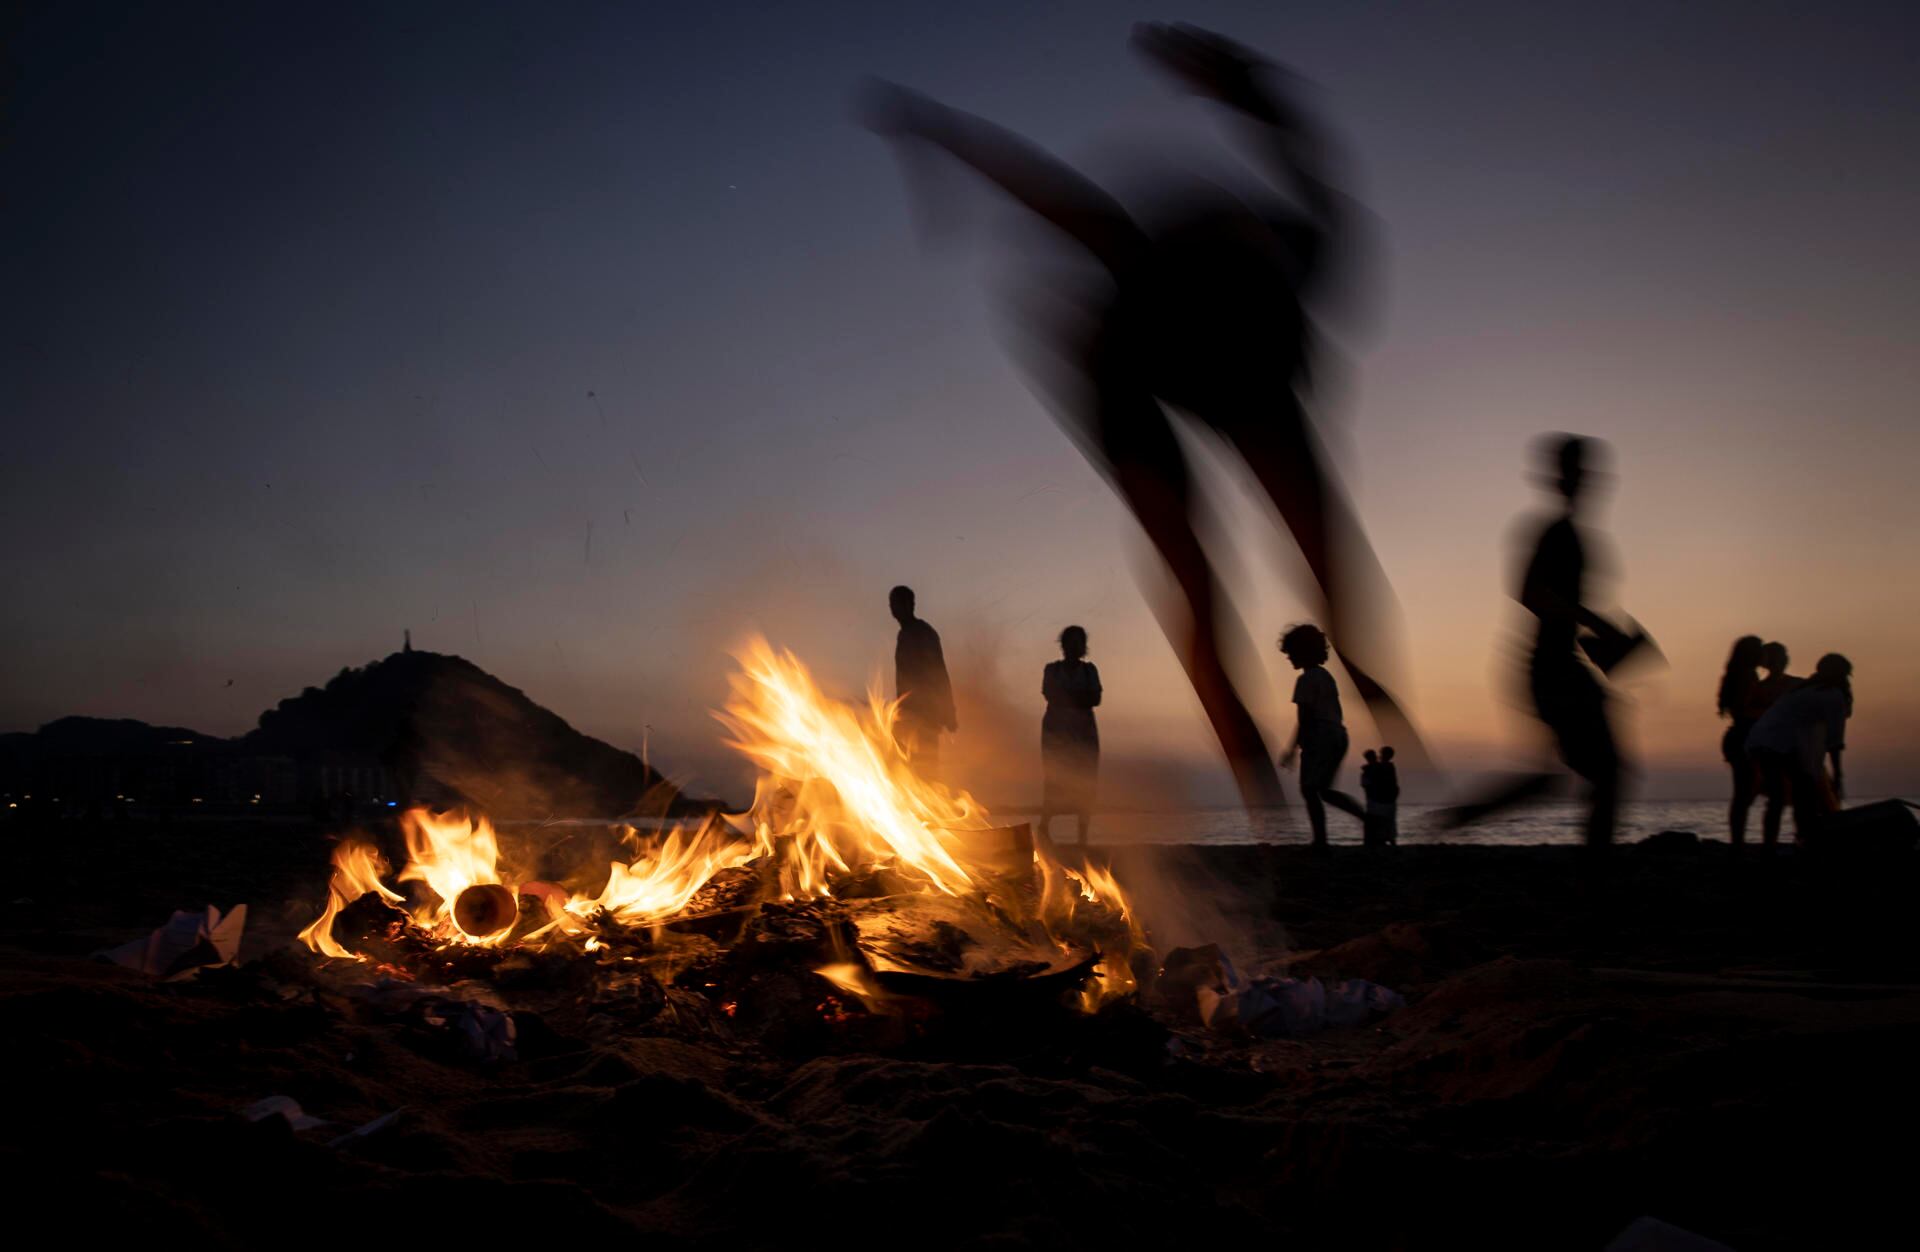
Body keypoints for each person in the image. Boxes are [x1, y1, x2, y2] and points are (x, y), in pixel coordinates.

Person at [861, 24, 1428, 812]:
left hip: (1233, 353)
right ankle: (1250, 766)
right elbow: (1060, 198)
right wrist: (941, 133)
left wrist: (1249, 86)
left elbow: (1306, 171)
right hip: (1127, 366)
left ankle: (1334, 715)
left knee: (1317, 551)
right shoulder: (1154, 273)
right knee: (1198, 576)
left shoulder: (1279, 295)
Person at [1440, 435, 1637, 847]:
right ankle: (1594, 880)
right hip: (1551, 667)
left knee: (1574, 775)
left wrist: (1597, 635)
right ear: (1562, 477)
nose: (1587, 480)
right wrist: (1598, 625)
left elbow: (1550, 603)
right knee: (1608, 773)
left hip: (1556, 665)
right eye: (1578, 471)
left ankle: (1463, 816)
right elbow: (1529, 593)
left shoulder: (1570, 534)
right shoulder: (1557, 532)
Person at [1745, 652, 1851, 847]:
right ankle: (1805, 841)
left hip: (1758, 742)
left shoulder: (1802, 690)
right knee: (1802, 794)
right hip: (1776, 745)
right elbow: (1834, 742)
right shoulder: (1832, 695)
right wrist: (1838, 775)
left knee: (1783, 797)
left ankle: (1774, 846)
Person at [1278, 624, 1366, 849]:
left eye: (1290, 653)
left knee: (1310, 789)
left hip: (1320, 736)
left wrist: (1291, 750)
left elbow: (1305, 718)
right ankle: (1367, 821)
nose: (1288, 658)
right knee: (1324, 790)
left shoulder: (1306, 680)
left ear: (1302, 651)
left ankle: (1321, 840)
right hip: (1337, 735)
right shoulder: (1326, 677)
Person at [1039, 625, 1102, 846]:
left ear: (1083, 646)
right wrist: (1077, 698)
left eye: (1078, 642)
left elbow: (1095, 698)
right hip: (1056, 735)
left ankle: (1081, 838)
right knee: (1055, 781)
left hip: (1083, 734)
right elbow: (1050, 694)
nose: (1074, 647)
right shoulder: (1052, 670)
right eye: (1070, 642)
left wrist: (1068, 698)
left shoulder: (1089, 671)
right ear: (1063, 645)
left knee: (1085, 782)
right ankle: (1044, 831)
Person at [889, 585, 957, 777]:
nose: (893, 608)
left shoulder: (923, 633)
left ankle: (930, 804)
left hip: (925, 712)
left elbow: (938, 671)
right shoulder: (903, 635)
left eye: (897, 603)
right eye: (891, 603)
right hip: (907, 712)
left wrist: (948, 710)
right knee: (905, 764)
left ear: (910, 604)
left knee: (926, 767)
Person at [1717, 635, 1766, 845]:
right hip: (1745, 737)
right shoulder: (1745, 675)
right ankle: (1738, 843)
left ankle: (1738, 842)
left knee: (1745, 794)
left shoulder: (1739, 674)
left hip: (1741, 736)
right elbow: (1741, 709)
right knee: (1744, 794)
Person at [1751, 641, 1801, 841]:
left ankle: (1802, 839)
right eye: (1780, 656)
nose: (1784, 660)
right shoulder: (1758, 689)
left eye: (1784, 655)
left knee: (1800, 797)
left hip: (1795, 747)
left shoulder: (1799, 684)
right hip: (1770, 750)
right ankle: (1769, 844)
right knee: (1777, 798)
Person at [1364, 745, 1400, 847]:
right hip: (1385, 798)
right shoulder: (1386, 766)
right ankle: (1387, 840)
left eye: (1382, 754)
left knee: (1385, 820)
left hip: (1384, 799)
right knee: (1387, 820)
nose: (1380, 756)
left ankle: (1386, 840)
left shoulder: (1386, 766)